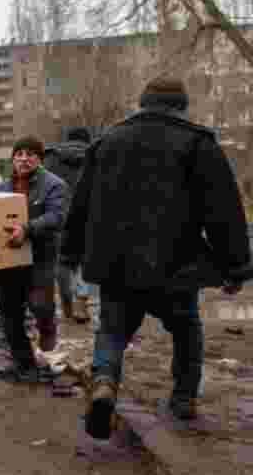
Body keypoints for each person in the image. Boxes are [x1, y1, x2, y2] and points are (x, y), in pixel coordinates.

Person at [62, 77, 251, 439]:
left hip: (116, 266)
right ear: (182, 106)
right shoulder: (198, 143)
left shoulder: (106, 142)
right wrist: (236, 266)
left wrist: (69, 254)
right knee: (186, 330)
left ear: (142, 103)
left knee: (113, 331)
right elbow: (224, 212)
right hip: (175, 265)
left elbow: (80, 205)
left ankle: (103, 382)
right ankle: (182, 399)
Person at [0, 136, 68, 383]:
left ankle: (48, 349)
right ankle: (24, 365)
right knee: (9, 313)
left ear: (40, 159)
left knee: (40, 306)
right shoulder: (2, 187)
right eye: (19, 154)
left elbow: (56, 217)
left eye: (30, 154)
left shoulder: (53, 185)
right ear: (13, 158)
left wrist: (27, 229)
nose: (24, 159)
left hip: (40, 258)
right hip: (9, 259)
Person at [44, 127, 93, 323]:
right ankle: (81, 302)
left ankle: (67, 303)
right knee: (84, 262)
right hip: (89, 217)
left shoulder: (51, 159)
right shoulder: (97, 155)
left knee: (63, 261)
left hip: (60, 216)